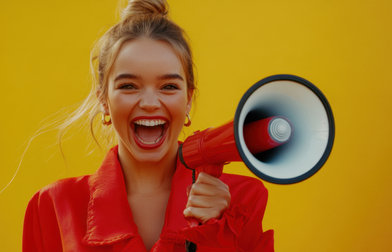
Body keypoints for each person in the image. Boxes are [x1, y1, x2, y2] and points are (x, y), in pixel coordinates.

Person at [22, 0, 274, 251]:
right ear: (103, 100)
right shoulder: (53, 206)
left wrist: (218, 234)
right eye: (128, 86)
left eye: (169, 86)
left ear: (188, 99)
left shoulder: (241, 203)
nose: (150, 103)